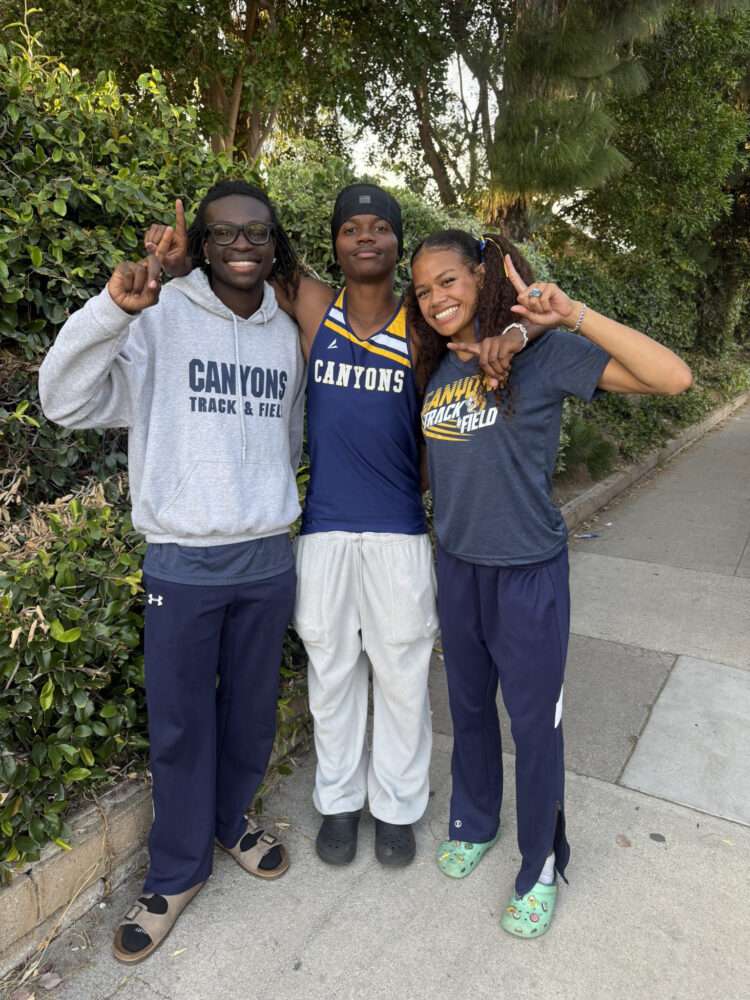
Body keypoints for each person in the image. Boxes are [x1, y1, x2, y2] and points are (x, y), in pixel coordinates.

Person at [145, 185, 531, 868]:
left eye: (380, 228)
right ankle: (340, 803)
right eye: (350, 228)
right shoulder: (314, 306)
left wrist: (520, 329)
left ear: (397, 243)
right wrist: (179, 268)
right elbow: (245, 263)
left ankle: (397, 808)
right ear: (334, 242)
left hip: (400, 532)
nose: (365, 238)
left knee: (404, 676)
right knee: (331, 675)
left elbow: (484, 327)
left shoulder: (421, 325)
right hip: (322, 529)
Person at [39, 180, 306, 963]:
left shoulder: (287, 332)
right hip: (182, 560)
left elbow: (287, 436)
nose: (243, 247)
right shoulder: (157, 314)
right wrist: (115, 309)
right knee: (183, 725)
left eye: (258, 233)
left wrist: (258, 498)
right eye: (225, 234)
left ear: (274, 241)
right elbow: (63, 400)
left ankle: (232, 822)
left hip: (266, 553)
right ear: (204, 242)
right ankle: (178, 868)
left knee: (253, 710)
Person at [407, 229, 692, 937]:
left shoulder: (546, 355)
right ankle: (474, 822)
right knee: (468, 708)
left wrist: (573, 315)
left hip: (528, 573)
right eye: (423, 289)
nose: (436, 297)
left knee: (535, 727)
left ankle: (539, 863)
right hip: (459, 568)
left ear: (480, 275)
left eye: (448, 280)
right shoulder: (439, 367)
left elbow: (673, 378)